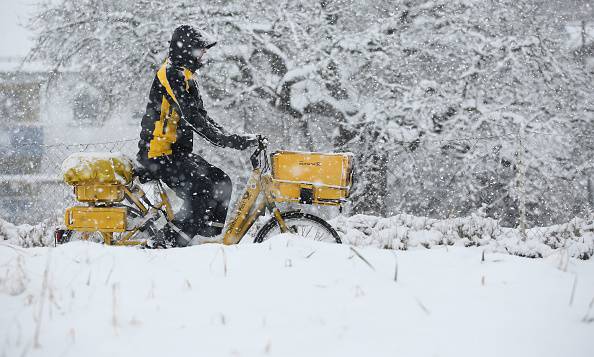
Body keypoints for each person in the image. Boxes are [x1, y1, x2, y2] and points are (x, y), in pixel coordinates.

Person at [137, 25, 259, 248]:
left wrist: (233, 138)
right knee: (201, 190)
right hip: (157, 154)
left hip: (176, 153)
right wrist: (227, 141)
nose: (203, 54)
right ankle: (168, 243)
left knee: (221, 181)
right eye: (200, 49)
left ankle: (204, 240)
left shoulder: (185, 75)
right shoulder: (170, 74)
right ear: (186, 49)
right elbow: (192, 116)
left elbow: (202, 115)